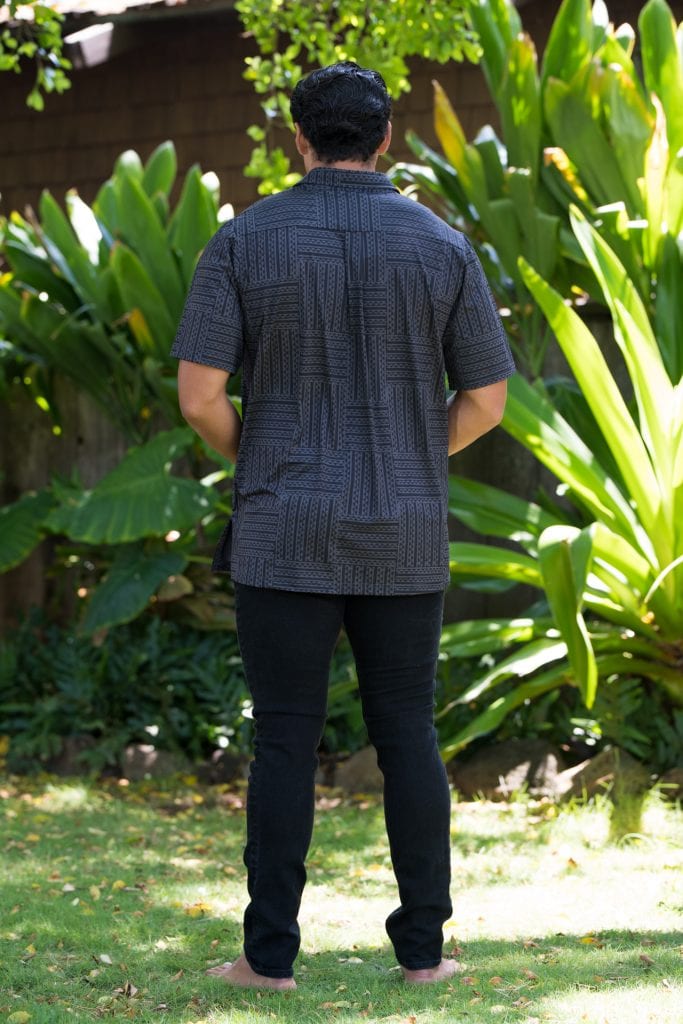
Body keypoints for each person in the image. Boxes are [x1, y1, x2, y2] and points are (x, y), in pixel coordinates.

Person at [172, 61, 515, 990]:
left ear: (298, 140)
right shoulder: (442, 248)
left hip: (282, 525)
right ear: (387, 137)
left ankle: (268, 959)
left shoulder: (243, 243)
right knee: (406, 732)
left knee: (284, 736)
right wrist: (411, 451)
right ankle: (424, 954)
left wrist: (260, 456)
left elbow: (199, 394)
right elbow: (486, 396)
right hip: (402, 526)